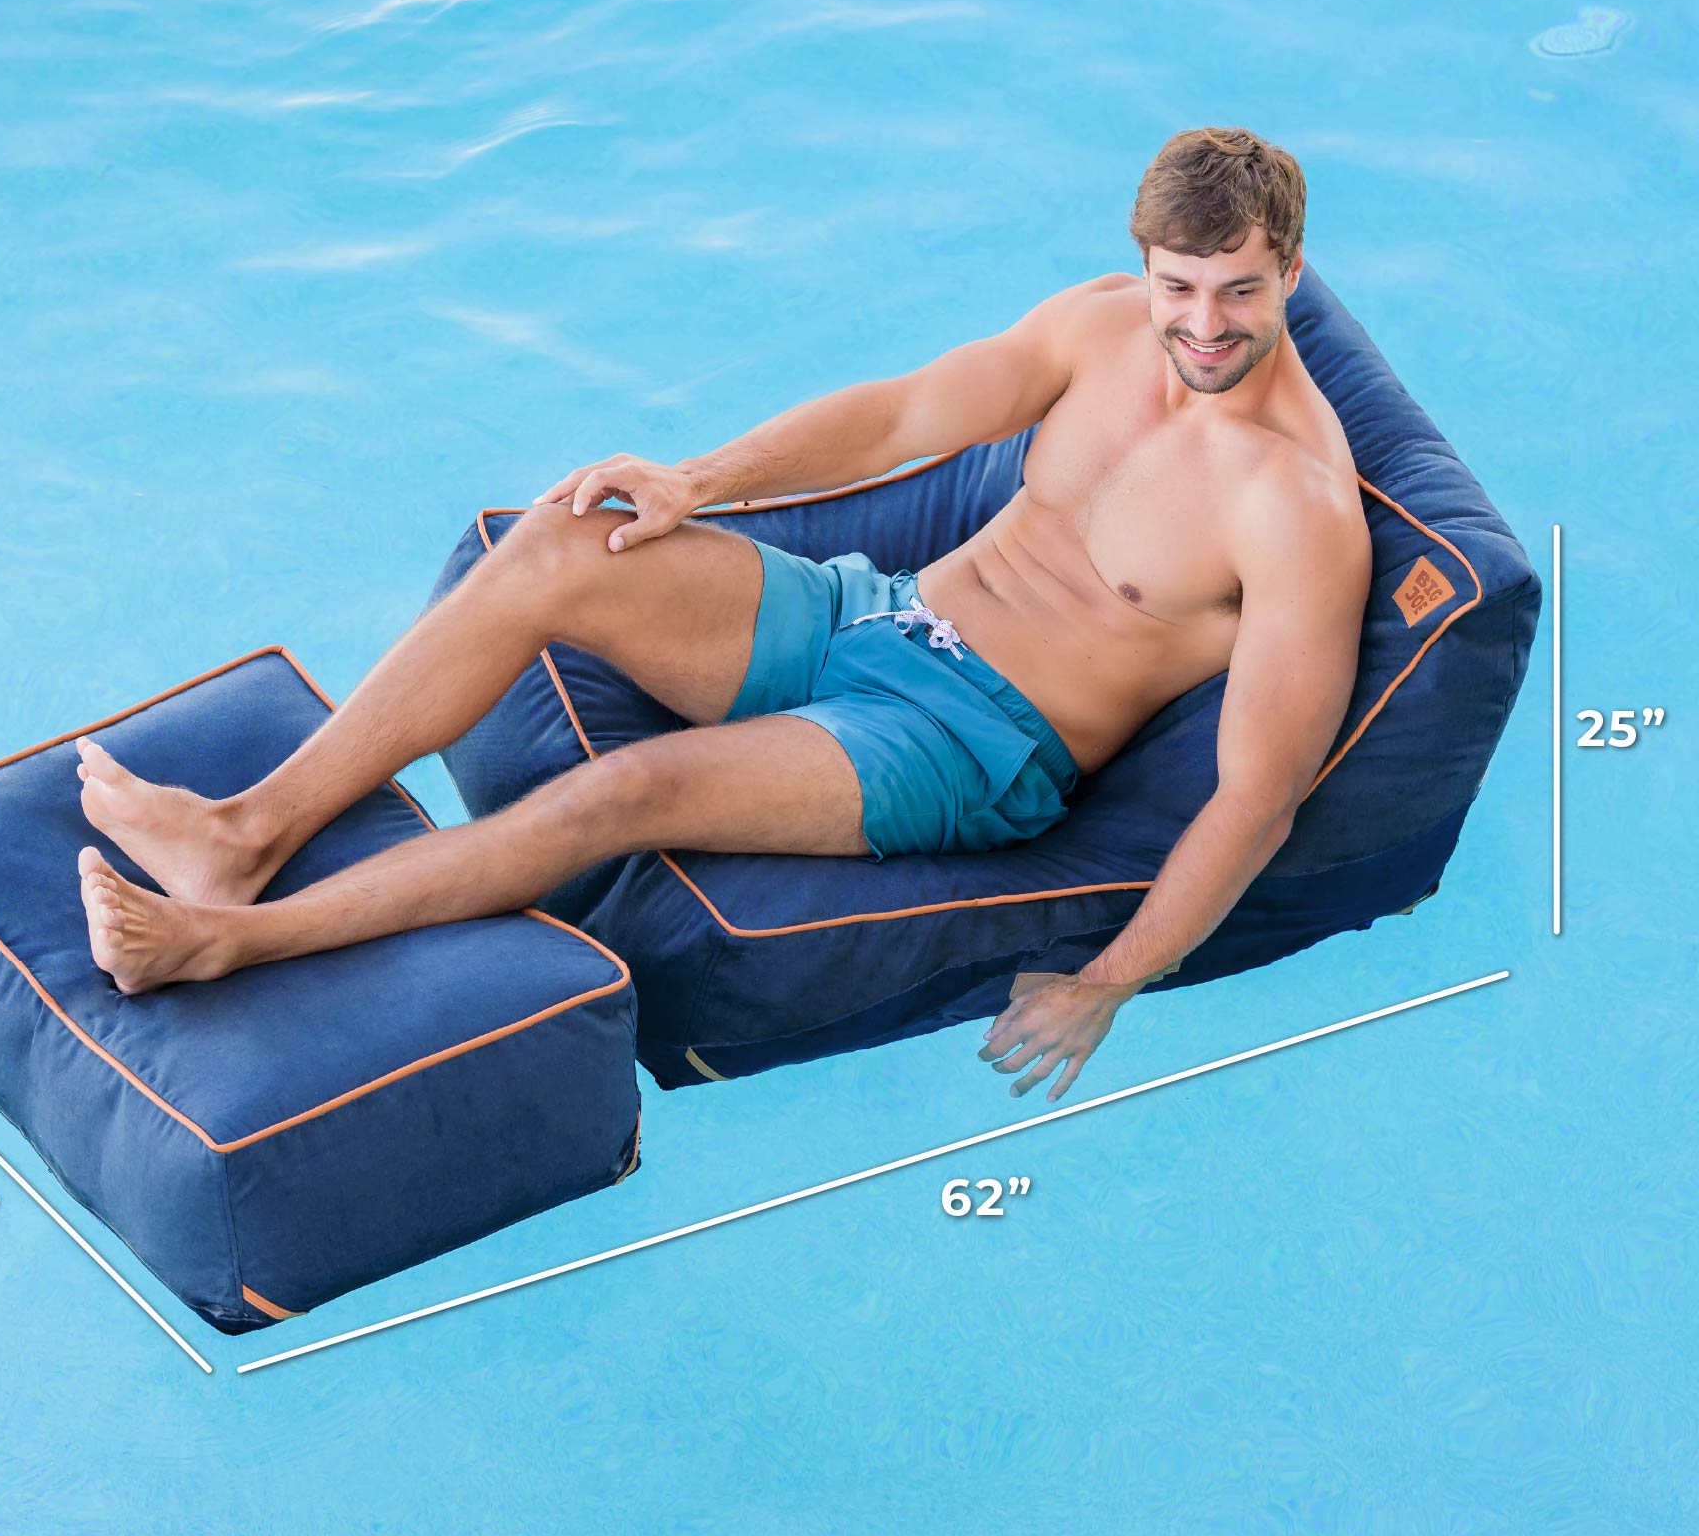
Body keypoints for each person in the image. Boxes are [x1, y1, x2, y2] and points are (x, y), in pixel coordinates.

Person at [72, 127, 1371, 1103]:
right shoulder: (1101, 328)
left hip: (970, 746)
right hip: (877, 615)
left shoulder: (1297, 507)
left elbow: (1258, 793)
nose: (1202, 327)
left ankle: (222, 939)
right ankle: (242, 834)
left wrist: (1110, 982)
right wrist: (701, 482)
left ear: (1292, 272)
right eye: (1178, 289)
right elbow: (905, 416)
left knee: (620, 796)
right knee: (560, 537)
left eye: (1240, 293)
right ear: (1145, 266)